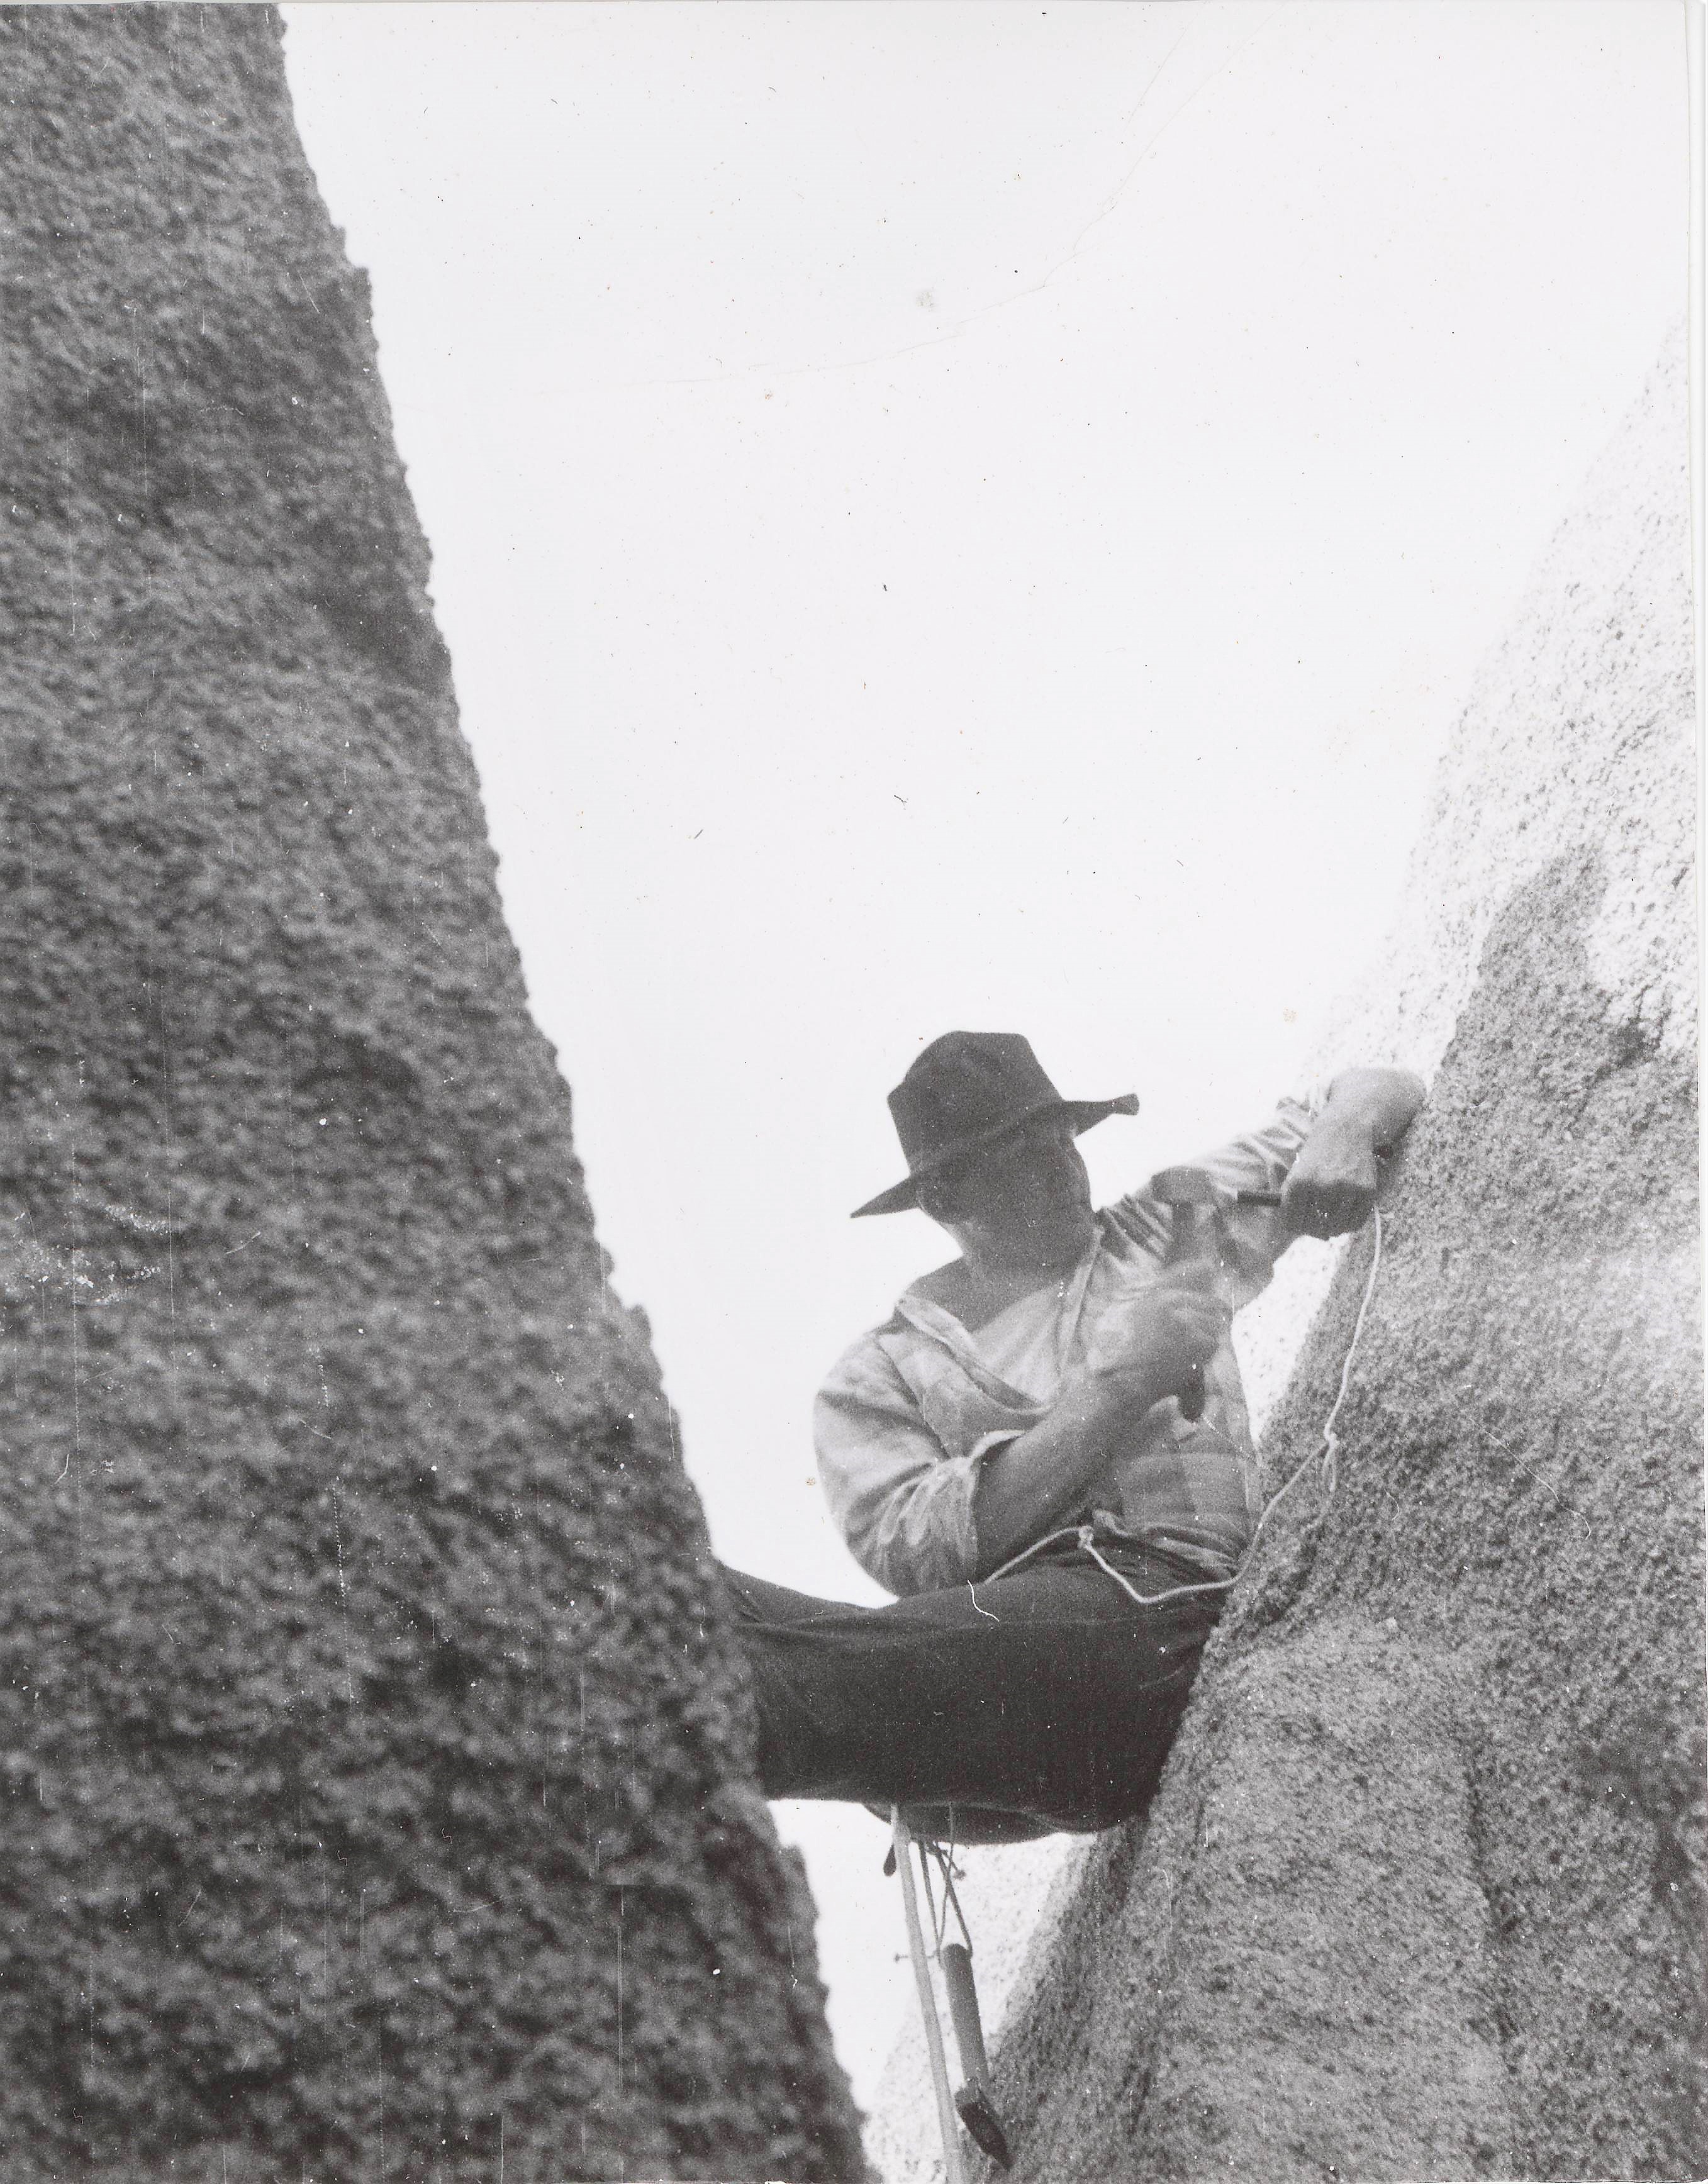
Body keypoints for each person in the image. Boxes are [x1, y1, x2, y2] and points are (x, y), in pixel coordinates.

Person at [725, 1030, 1424, 1841]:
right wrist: (1117, 1389)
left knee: (779, 1679)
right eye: (1020, 1156)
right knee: (697, 1590)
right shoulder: (878, 1376)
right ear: (946, 1200)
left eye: (1063, 1140)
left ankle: (682, 1727)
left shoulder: (1162, 1230)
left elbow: (1374, 1088)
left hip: (1161, 1637)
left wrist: (1340, 1137)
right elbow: (923, 1558)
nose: (1062, 1167)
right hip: (1009, 1688)